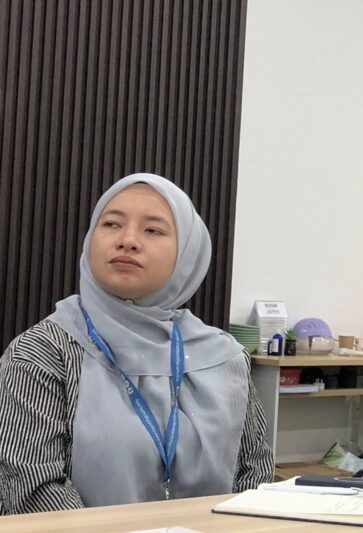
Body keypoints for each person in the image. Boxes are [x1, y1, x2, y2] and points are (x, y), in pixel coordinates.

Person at [0, 174, 273, 514]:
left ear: (187, 253)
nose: (127, 240)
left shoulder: (224, 356)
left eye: (153, 230)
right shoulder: (44, 351)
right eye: (111, 224)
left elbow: (254, 475)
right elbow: (31, 485)